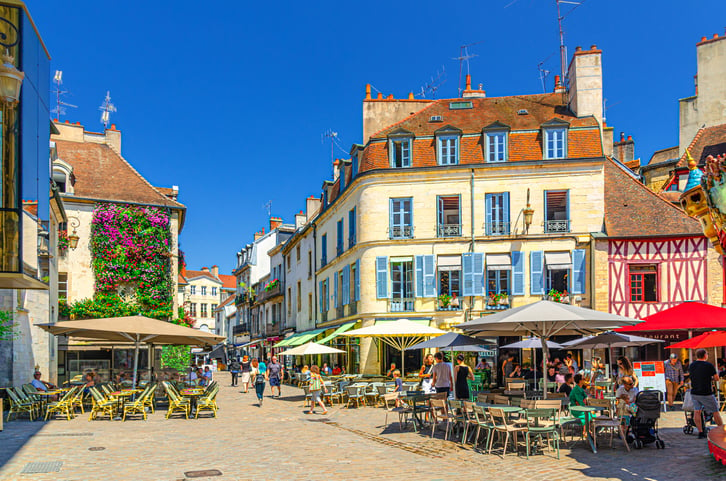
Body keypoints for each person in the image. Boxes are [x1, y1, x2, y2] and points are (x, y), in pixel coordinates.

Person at [689, 348, 724, 438]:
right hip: (706, 392)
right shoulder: (709, 365)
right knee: (715, 411)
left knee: (697, 411)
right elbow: (716, 378)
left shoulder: (692, 365)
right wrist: (710, 378)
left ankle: (700, 432)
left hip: (695, 392)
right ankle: (721, 430)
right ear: (705, 355)